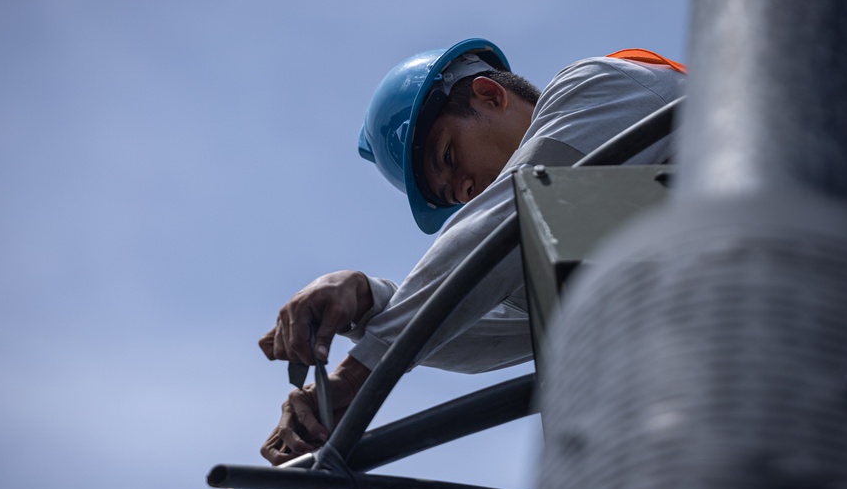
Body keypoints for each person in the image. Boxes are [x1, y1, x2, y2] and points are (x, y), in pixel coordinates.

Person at [258, 38, 686, 464]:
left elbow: (511, 218)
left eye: (449, 154)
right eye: (452, 196)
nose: (464, 192)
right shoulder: (575, 240)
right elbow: (481, 327)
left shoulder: (602, 83)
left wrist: (356, 374)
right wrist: (367, 301)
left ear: (489, 94)